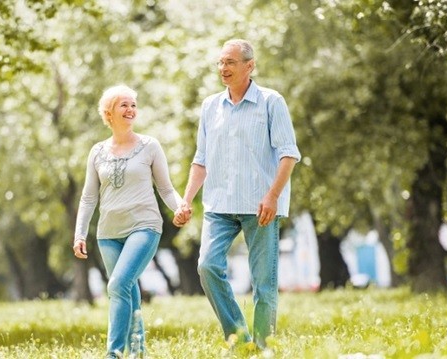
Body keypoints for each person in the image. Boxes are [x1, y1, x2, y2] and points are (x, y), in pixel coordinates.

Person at [173, 39, 301, 350]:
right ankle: (240, 338)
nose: (223, 68)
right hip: (219, 205)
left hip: (260, 206)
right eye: (220, 63)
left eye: (230, 62)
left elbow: (289, 154)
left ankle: (262, 347)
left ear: (249, 65)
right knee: (207, 266)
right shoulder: (210, 107)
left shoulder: (271, 102)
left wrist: (272, 196)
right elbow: (201, 159)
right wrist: (186, 199)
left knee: (264, 285)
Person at [73, 84, 183, 359]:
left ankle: (114, 353)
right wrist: (80, 234)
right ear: (108, 113)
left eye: (133, 104)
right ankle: (138, 351)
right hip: (108, 234)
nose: (130, 109)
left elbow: (166, 189)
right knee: (128, 291)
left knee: (117, 285)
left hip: (143, 227)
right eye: (124, 104)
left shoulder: (149, 146)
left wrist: (180, 207)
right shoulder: (97, 151)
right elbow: (88, 198)